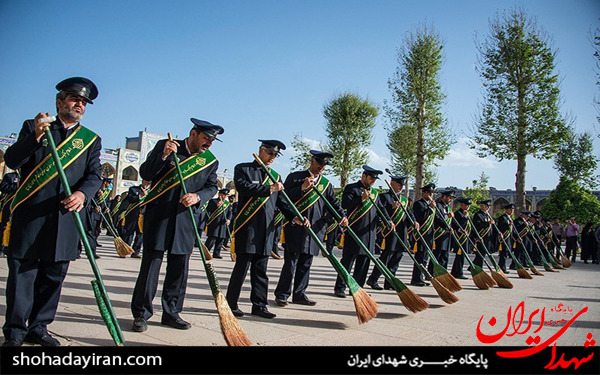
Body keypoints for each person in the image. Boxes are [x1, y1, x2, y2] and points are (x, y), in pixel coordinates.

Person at [3, 77, 102, 347]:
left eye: (83, 102)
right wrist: (35, 135)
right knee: (22, 276)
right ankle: (14, 331)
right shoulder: (34, 128)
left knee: (53, 277)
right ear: (59, 102)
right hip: (31, 216)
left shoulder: (90, 140)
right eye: (74, 99)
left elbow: (95, 176)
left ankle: (39, 327)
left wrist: (83, 193)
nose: (79, 104)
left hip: (65, 220)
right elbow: (13, 160)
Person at [130, 118, 222, 332]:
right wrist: (163, 156)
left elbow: (211, 188)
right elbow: (146, 174)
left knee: (179, 269)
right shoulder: (167, 145)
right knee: (151, 266)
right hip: (159, 216)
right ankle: (141, 314)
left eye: (212, 141)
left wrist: (198, 197)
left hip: (186, 219)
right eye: (206, 138)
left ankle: (171, 313)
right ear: (193, 134)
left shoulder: (210, 161)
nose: (208, 144)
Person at [226, 140, 306, 319]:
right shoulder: (243, 168)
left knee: (261, 270)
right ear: (261, 151)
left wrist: (294, 216)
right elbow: (243, 187)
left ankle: (259, 305)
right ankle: (231, 304)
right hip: (248, 227)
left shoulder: (275, 176)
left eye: (276, 155)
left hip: (266, 230)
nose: (272, 157)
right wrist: (269, 188)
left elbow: (282, 202)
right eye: (270, 153)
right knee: (241, 268)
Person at [275, 150, 347, 306]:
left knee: (306, 263)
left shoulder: (326, 184)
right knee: (291, 263)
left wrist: (342, 216)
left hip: (315, 228)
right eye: (320, 163)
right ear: (312, 161)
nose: (322, 167)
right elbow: (284, 197)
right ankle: (282, 294)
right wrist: (302, 187)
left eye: (325, 165)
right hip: (296, 226)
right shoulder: (295, 177)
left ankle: (300, 294)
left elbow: (333, 203)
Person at [334, 165, 392, 296]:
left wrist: (388, 220)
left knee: (364, 263)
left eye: (375, 179)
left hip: (369, 233)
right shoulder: (352, 188)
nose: (372, 181)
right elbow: (345, 204)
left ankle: (357, 289)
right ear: (364, 176)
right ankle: (340, 287)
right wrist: (361, 199)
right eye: (371, 178)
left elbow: (381, 209)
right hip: (355, 230)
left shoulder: (375, 193)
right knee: (348, 261)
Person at [366, 175, 416, 290]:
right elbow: (380, 211)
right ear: (392, 184)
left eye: (402, 185)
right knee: (386, 257)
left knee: (396, 258)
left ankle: (390, 281)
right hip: (389, 232)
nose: (400, 187)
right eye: (398, 185)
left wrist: (414, 221)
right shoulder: (384, 197)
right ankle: (373, 279)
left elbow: (409, 213)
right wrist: (392, 207)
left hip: (401, 232)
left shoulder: (404, 200)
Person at [410, 183, 436, 287]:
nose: (431, 195)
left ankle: (421, 277)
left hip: (429, 235)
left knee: (425, 258)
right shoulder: (418, 204)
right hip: (421, 235)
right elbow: (421, 217)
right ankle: (416, 278)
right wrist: (429, 208)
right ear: (423, 193)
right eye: (429, 193)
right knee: (420, 257)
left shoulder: (431, 205)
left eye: (432, 193)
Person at [429, 189, 455, 272]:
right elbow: (437, 218)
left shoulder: (448, 208)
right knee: (437, 254)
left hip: (446, 235)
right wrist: (447, 216)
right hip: (438, 234)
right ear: (444, 197)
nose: (450, 200)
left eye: (451, 198)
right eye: (449, 198)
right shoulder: (438, 206)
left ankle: (443, 272)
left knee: (445, 255)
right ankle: (432, 271)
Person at [204, 188, 232, 259]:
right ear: (220, 194)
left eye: (226, 195)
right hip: (214, 223)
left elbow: (230, 213)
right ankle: (206, 252)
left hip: (222, 224)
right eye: (223, 194)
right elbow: (208, 210)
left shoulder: (227, 204)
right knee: (212, 239)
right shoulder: (213, 201)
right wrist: (216, 206)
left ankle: (216, 253)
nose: (224, 196)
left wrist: (228, 219)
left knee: (221, 239)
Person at [450, 197, 472, 279]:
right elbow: (456, 225)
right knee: (459, 256)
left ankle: (456, 271)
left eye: (468, 205)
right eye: (466, 205)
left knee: (462, 256)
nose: (468, 207)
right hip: (459, 238)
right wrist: (465, 218)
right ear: (462, 205)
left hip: (465, 238)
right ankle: (458, 272)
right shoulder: (458, 213)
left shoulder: (466, 213)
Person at [0, 173, 20, 258]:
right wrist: (17, 187)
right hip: (8, 205)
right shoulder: (10, 176)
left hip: (20, 205)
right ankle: (2, 248)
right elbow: (3, 187)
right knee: (4, 226)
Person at [472, 200, 494, 268]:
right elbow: (477, 225)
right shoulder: (478, 215)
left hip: (487, 238)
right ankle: (478, 267)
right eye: (486, 206)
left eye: (488, 206)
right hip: (481, 237)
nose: (488, 208)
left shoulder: (487, 215)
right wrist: (488, 223)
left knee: (482, 254)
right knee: (480, 254)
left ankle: (473, 266)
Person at [495, 204, 515, 273]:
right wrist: (507, 225)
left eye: (512, 210)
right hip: (504, 238)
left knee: (506, 254)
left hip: (509, 238)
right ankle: (502, 268)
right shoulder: (503, 217)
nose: (512, 211)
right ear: (506, 210)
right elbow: (500, 227)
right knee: (503, 254)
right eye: (510, 210)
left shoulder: (510, 218)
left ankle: (502, 267)